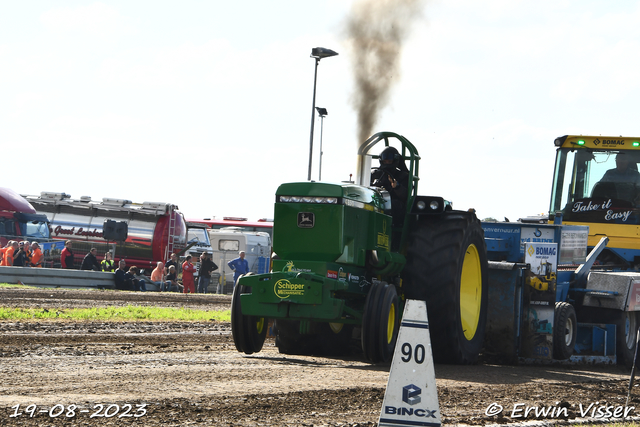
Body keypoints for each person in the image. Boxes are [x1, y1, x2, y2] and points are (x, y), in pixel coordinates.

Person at [371, 146, 410, 226]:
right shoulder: (375, 174)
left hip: (395, 206)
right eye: (385, 159)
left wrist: (396, 186)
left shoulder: (403, 176)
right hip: (375, 200)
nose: (387, 161)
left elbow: (406, 195)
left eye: (389, 160)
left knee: (392, 204)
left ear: (395, 160)